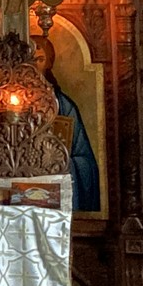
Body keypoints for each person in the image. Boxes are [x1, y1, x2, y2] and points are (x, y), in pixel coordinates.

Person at [36, 34, 100, 214]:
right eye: (29, 60)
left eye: (40, 59)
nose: (34, 66)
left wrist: (65, 163)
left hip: (56, 181)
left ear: (48, 63)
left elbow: (85, 160)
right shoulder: (7, 103)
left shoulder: (64, 107)